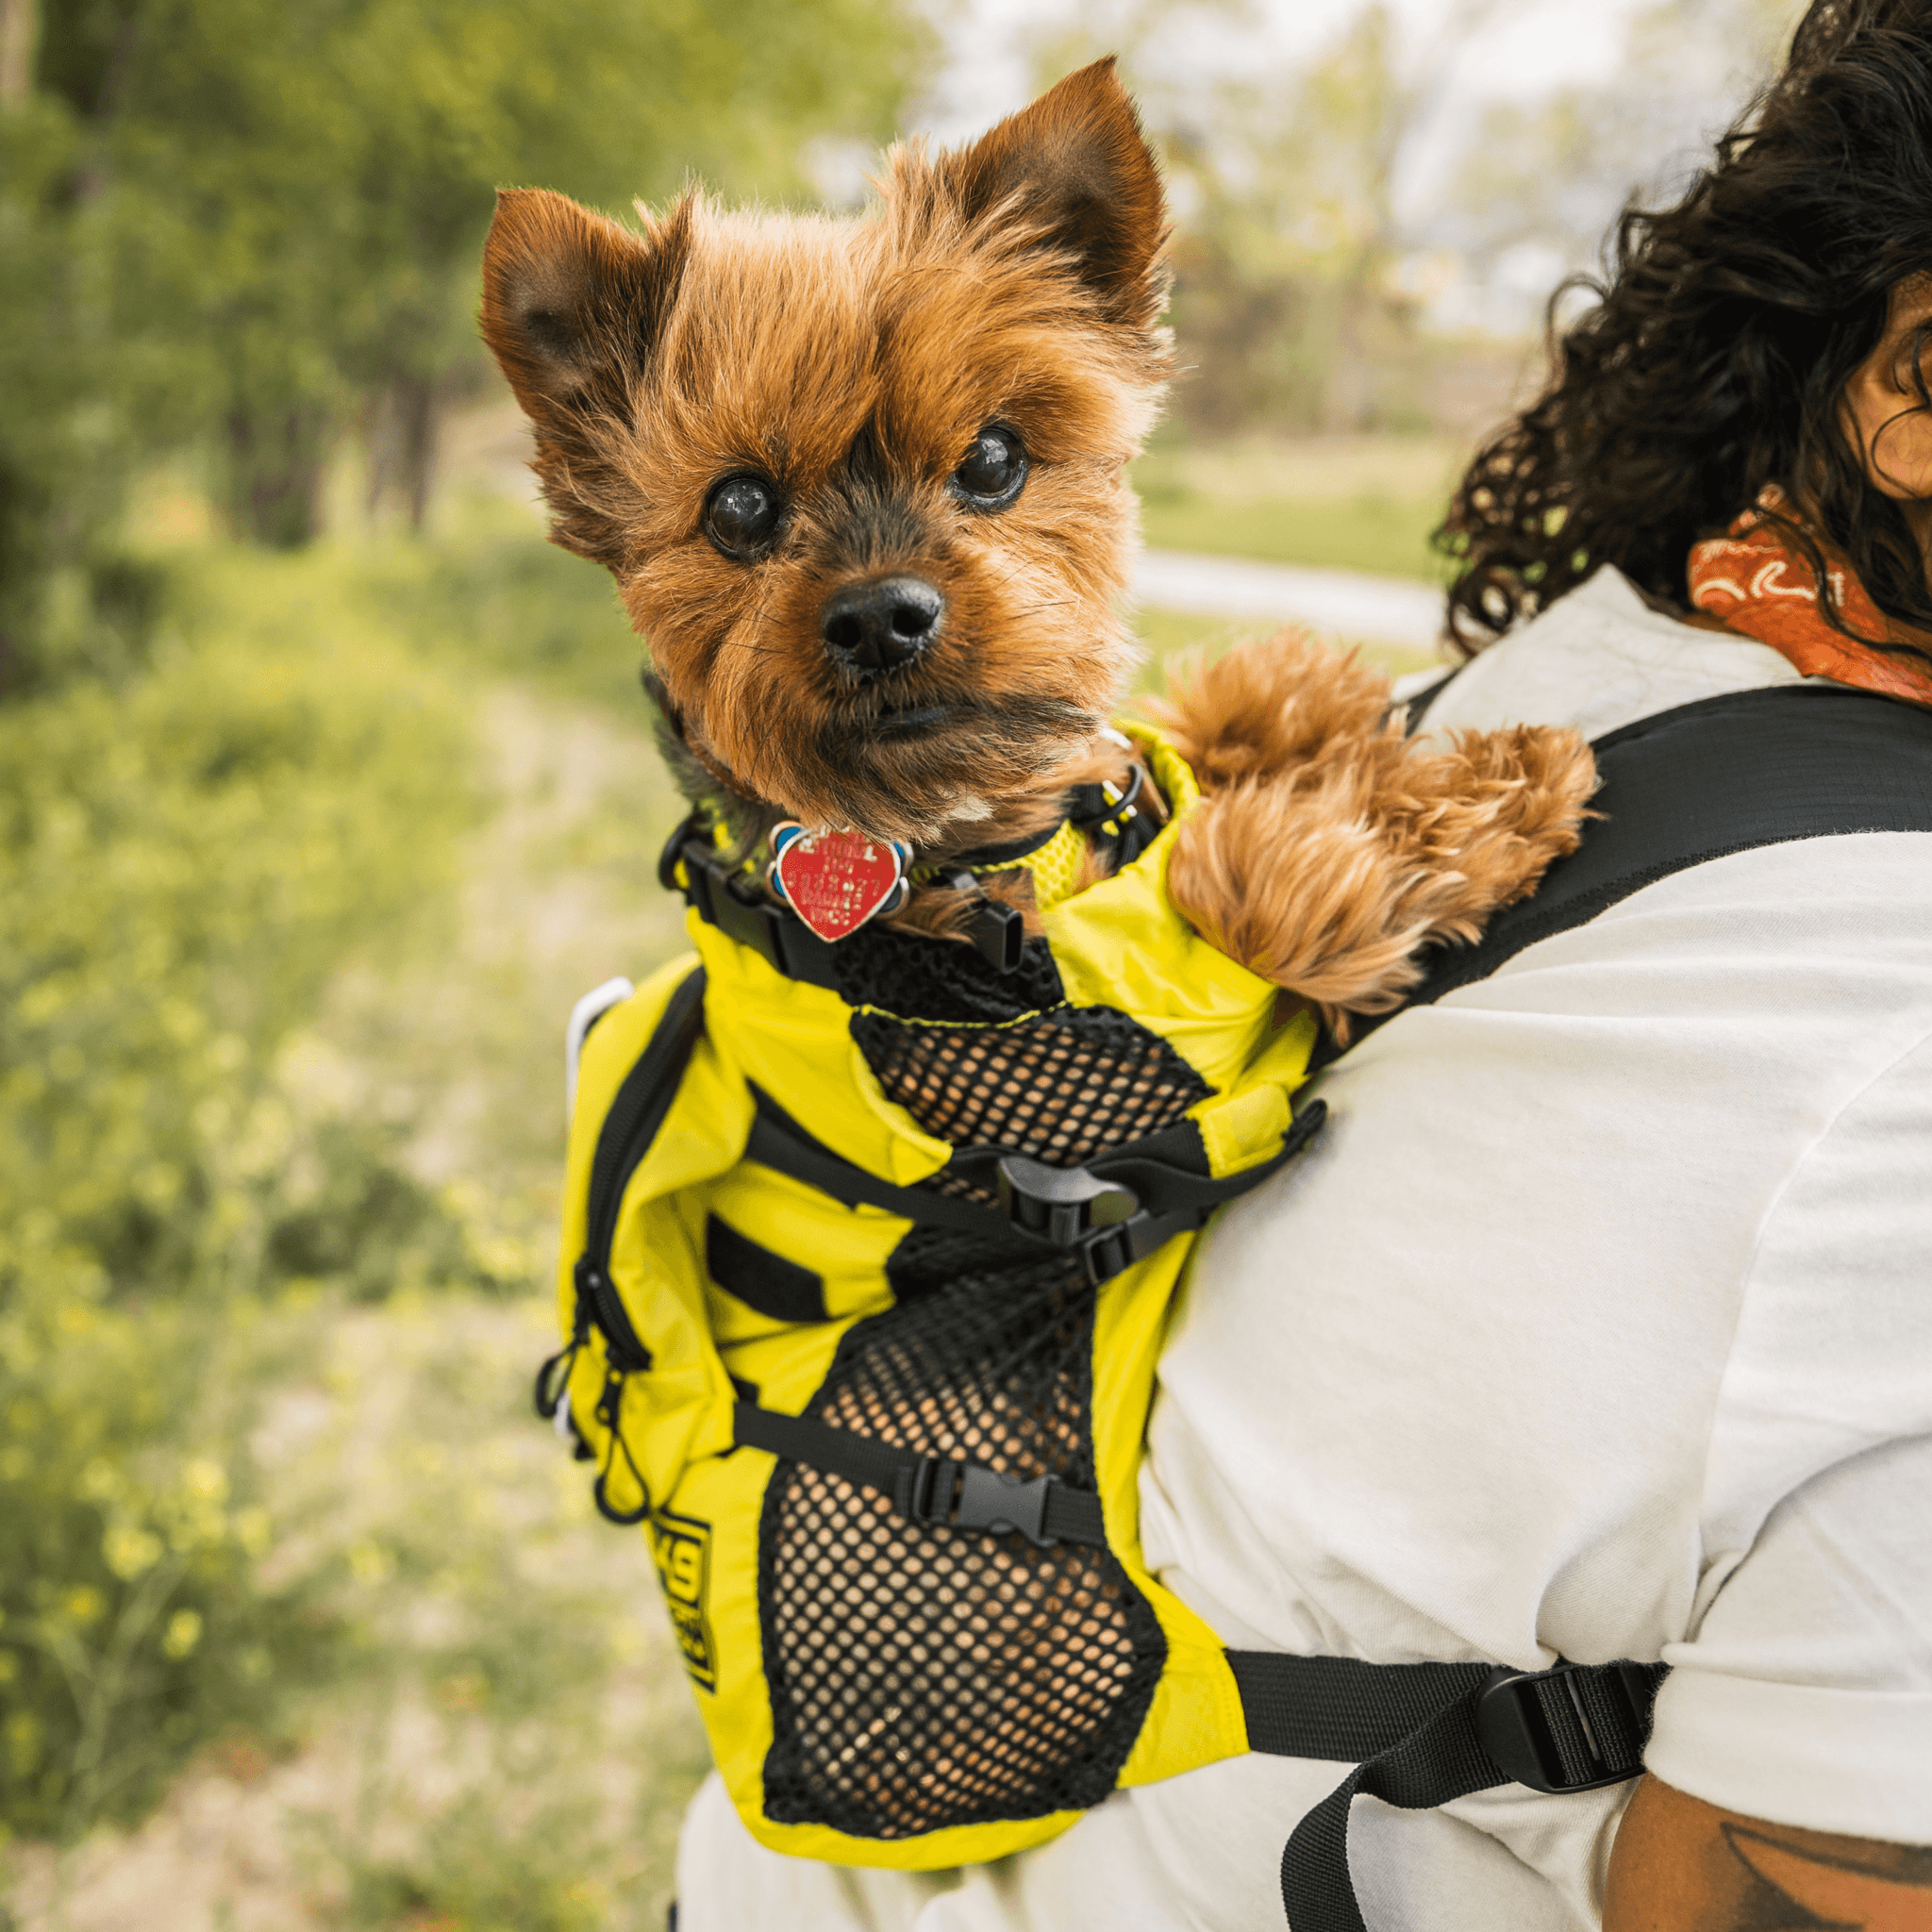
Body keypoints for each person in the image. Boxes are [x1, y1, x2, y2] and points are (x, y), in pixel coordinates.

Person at [673, 1, 1932, 1924]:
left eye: (994, 462)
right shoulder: (1885, 1050)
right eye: (753, 514)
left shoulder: (1626, 643)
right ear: (1912, 373)